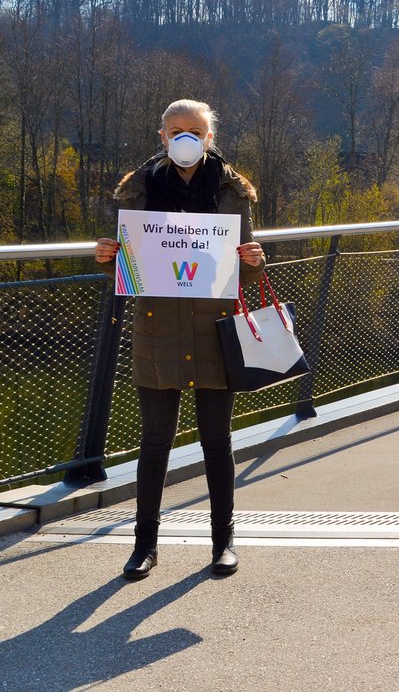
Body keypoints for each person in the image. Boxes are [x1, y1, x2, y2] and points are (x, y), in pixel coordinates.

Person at [94, 99, 265, 580]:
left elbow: (242, 275)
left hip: (215, 331)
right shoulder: (137, 192)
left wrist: (254, 260)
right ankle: (143, 546)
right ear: (162, 136)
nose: (184, 136)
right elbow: (126, 273)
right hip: (158, 329)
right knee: (154, 444)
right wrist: (107, 258)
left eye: (194, 129)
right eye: (175, 130)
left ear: (210, 137)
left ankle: (222, 542)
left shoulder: (234, 192)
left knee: (217, 442)